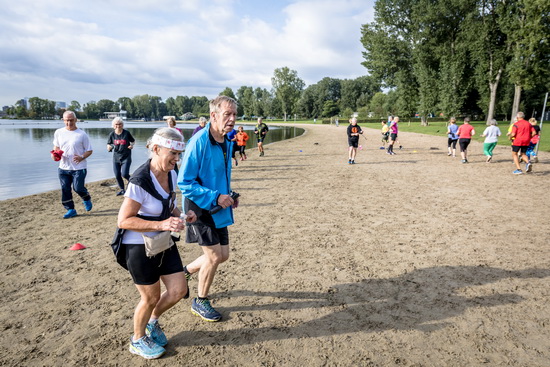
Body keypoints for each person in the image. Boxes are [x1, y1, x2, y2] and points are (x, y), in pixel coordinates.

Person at [117, 127, 197, 359]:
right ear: (155, 148)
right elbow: (124, 221)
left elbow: (167, 204)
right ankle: (137, 339)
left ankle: (152, 322)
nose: (176, 159)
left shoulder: (172, 172)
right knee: (150, 297)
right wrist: (163, 225)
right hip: (137, 245)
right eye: (172, 153)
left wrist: (182, 214)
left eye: (178, 154)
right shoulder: (140, 180)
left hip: (162, 242)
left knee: (179, 290)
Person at [178, 95, 239, 322]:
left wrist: (230, 195)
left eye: (234, 114)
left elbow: (218, 175)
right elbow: (184, 183)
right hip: (199, 208)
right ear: (213, 116)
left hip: (220, 205)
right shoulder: (198, 142)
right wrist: (216, 197)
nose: (232, 119)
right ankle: (200, 301)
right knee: (213, 257)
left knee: (223, 255)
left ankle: (185, 272)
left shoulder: (227, 140)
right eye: (227, 114)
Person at [51, 111, 93, 219]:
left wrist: (81, 157)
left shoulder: (82, 134)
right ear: (63, 120)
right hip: (63, 168)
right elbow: (56, 148)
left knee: (78, 188)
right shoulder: (58, 132)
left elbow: (89, 150)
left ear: (75, 120)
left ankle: (86, 198)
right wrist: (55, 155)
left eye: (71, 120)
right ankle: (70, 209)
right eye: (66, 120)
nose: (69, 123)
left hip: (79, 167)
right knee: (65, 189)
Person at [107, 117, 135, 196]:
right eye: (116, 124)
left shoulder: (126, 133)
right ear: (113, 125)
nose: (118, 126)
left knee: (125, 174)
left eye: (120, 124)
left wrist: (131, 146)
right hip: (116, 157)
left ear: (122, 125)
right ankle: (122, 190)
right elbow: (108, 144)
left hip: (126, 156)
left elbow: (133, 141)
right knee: (117, 175)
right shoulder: (112, 134)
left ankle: (133, 182)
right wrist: (109, 147)